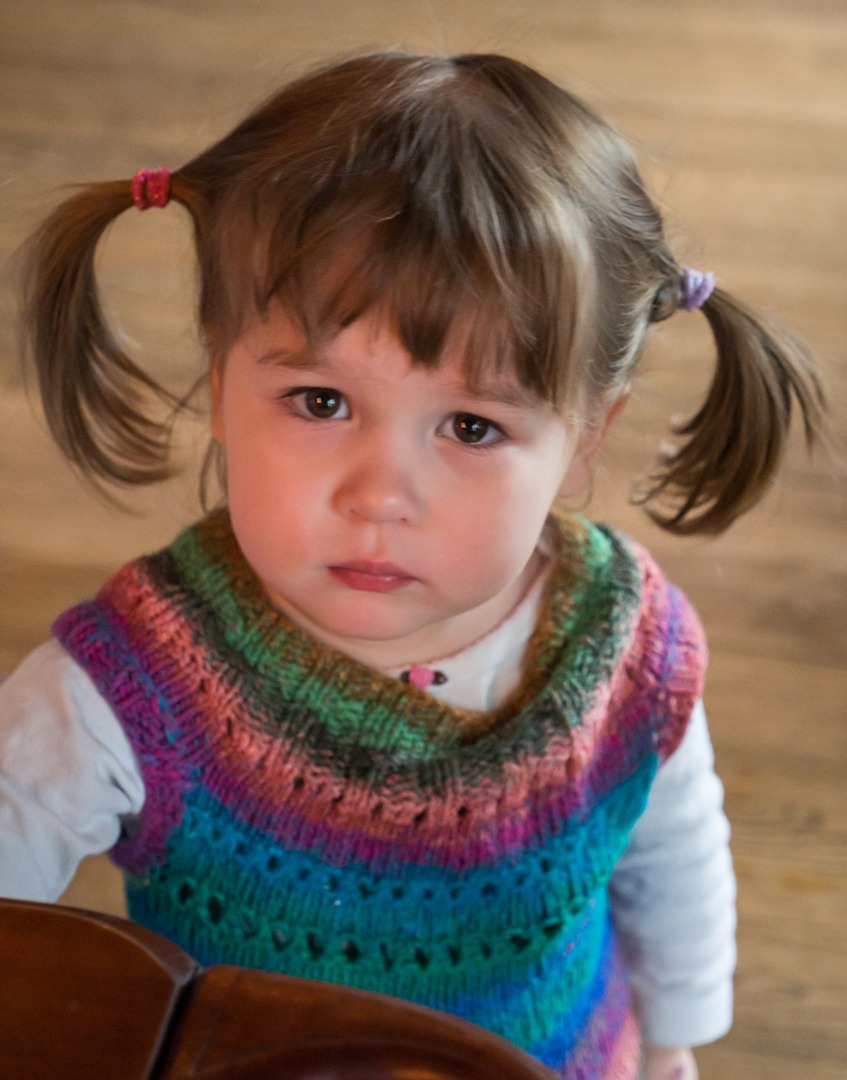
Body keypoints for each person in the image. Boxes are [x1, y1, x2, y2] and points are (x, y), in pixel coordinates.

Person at [0, 52, 827, 1080]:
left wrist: (673, 1043)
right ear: (219, 385)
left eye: (471, 425)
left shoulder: (627, 644)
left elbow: (671, 850)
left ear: (582, 442)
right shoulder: (124, 694)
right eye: (321, 402)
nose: (379, 494)